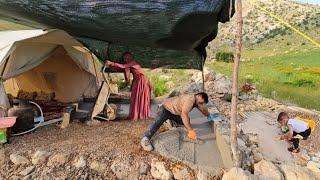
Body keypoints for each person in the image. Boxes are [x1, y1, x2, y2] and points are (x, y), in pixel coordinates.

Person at [141, 92, 212, 151]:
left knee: (185, 122)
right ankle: (145, 139)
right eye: (201, 102)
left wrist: (209, 115)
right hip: (165, 109)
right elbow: (184, 114)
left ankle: (170, 120)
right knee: (157, 122)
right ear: (198, 96)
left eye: (202, 103)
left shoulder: (196, 101)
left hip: (174, 112)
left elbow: (202, 109)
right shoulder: (190, 100)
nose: (201, 104)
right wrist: (190, 130)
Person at [106, 52, 151, 120]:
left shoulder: (133, 62)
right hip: (137, 80)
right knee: (135, 97)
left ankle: (141, 114)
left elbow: (123, 66)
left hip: (142, 80)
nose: (125, 59)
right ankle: (137, 114)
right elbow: (125, 70)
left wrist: (111, 63)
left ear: (130, 57)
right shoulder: (129, 64)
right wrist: (127, 80)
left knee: (140, 97)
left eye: (126, 58)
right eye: (124, 58)